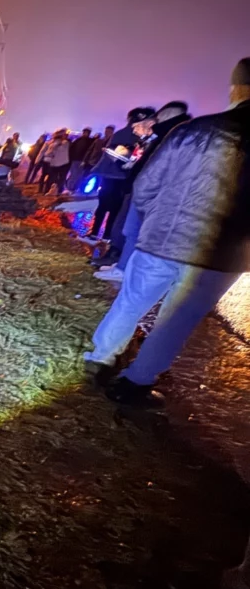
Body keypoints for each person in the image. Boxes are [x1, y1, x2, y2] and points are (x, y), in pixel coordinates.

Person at [83, 58, 250, 407]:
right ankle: (135, 383)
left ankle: (99, 360)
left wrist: (157, 219)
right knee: (176, 321)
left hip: (160, 240)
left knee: (130, 303)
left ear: (235, 89)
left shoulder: (193, 130)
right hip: (218, 255)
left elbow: (145, 187)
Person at [94, 102, 192, 281]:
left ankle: (124, 269)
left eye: (138, 126)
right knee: (128, 228)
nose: (135, 130)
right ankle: (122, 264)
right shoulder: (162, 138)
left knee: (132, 230)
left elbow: (159, 168)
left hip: (147, 192)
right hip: (140, 188)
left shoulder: (170, 138)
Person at [84, 107, 156, 240]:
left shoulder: (122, 133)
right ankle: (105, 233)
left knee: (104, 205)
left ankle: (96, 232)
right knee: (114, 207)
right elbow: (117, 156)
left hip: (110, 175)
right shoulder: (134, 135)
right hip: (119, 176)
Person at [36, 129, 71, 195]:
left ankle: (47, 190)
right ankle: (58, 191)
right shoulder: (66, 143)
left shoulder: (54, 144)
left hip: (55, 163)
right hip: (63, 163)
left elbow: (47, 153)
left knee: (51, 177)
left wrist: (39, 159)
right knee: (60, 178)